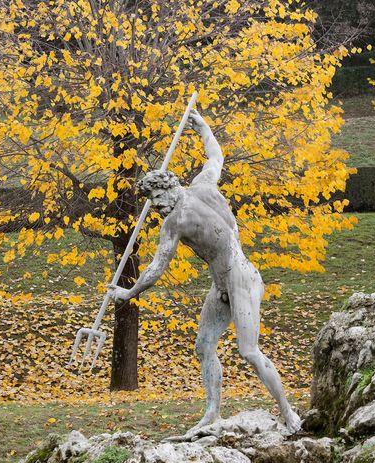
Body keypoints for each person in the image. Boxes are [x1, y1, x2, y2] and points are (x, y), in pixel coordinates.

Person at [108, 109, 302, 434]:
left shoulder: (176, 221)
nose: (154, 208)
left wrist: (128, 293)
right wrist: (203, 127)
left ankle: (290, 414)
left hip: (240, 279)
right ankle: (212, 411)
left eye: (155, 200)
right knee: (203, 346)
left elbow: (157, 268)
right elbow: (216, 155)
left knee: (249, 351)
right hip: (222, 286)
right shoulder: (202, 184)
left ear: (166, 190)